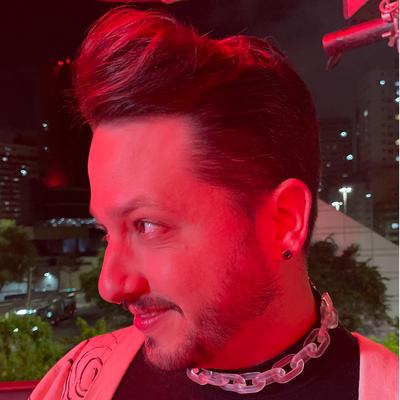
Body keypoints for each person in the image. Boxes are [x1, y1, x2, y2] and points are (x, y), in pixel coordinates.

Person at [29, 6, 398, 400]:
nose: (109, 285)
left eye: (147, 225)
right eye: (106, 232)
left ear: (284, 220)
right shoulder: (80, 382)